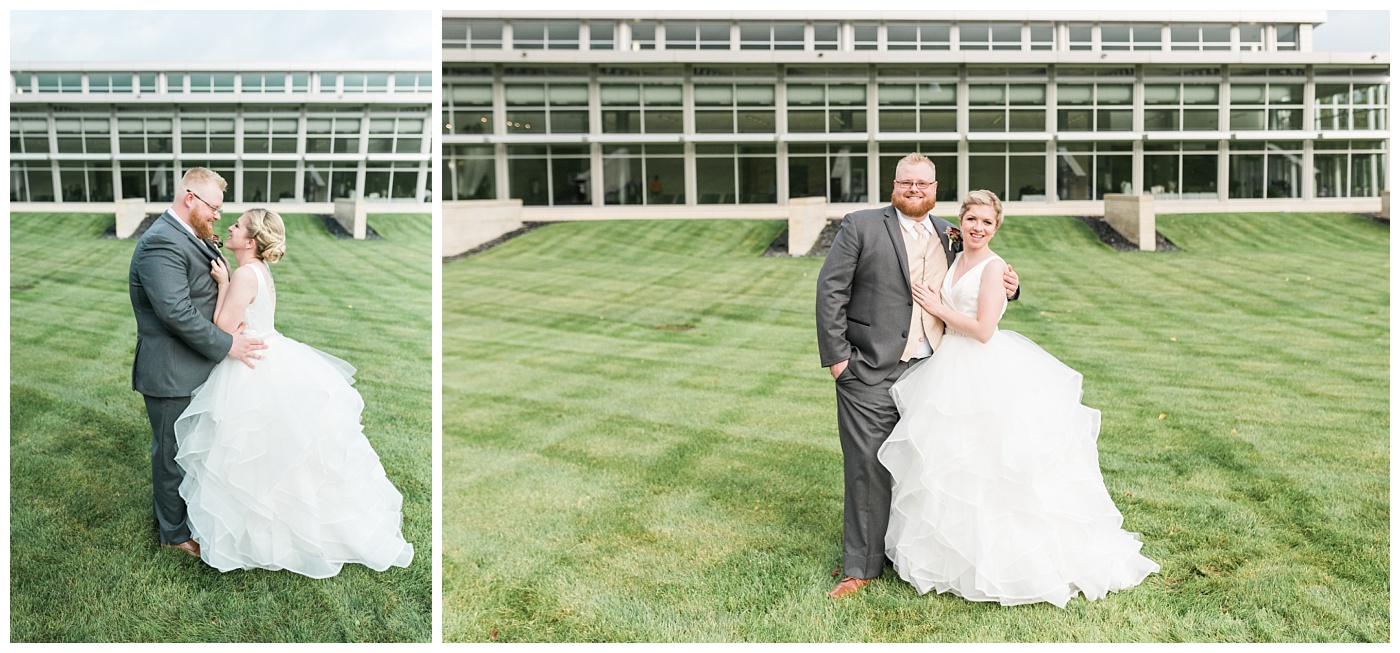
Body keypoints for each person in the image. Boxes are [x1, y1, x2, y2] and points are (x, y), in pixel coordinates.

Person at [879, 190, 1159, 607]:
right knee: (952, 464)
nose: (978, 228)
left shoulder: (994, 269)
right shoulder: (954, 253)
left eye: (987, 223)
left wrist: (938, 307)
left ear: (997, 227)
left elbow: (984, 329)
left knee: (996, 467)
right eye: (972, 219)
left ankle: (1014, 562)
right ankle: (952, 555)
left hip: (982, 364)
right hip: (949, 367)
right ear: (962, 221)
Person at [815, 154, 1019, 598]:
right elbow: (831, 288)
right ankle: (860, 567)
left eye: (922, 184)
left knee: (923, 467)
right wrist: (838, 359)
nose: (914, 189)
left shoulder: (951, 232)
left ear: (935, 187)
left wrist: (1012, 285)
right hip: (868, 368)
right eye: (906, 182)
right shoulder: (861, 225)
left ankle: (904, 553)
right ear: (894, 185)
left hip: (933, 371)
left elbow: (980, 271)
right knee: (867, 467)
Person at [173, 208, 414, 578]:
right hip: (271, 352)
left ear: (250, 241)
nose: (230, 228)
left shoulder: (242, 275)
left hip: (251, 362)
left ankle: (263, 534)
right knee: (280, 450)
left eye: (236, 226)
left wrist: (222, 285)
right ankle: (284, 528)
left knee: (250, 450)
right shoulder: (260, 271)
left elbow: (223, 326)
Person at [129, 167, 266, 558]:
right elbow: (176, 313)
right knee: (171, 453)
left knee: (193, 449)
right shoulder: (160, 244)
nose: (218, 216)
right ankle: (172, 535)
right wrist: (228, 345)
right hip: (171, 370)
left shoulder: (192, 234)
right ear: (190, 198)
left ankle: (190, 515)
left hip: (195, 364)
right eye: (214, 208)